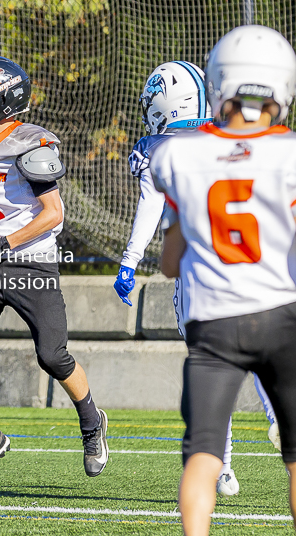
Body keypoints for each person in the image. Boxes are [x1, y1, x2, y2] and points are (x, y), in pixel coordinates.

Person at [150, 25, 296, 535]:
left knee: (203, 454)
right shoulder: (291, 153)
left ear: (218, 84)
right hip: (282, 318)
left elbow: (170, 263)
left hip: (212, 322)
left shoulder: (178, 154)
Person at [114, 60, 280, 496]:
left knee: (209, 363)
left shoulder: (160, 150)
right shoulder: (234, 135)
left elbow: (152, 210)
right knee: (267, 354)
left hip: (199, 269)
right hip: (256, 264)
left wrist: (129, 262)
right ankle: (274, 417)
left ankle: (221, 463)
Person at [0, 56, 108, 484]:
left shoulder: (30, 143)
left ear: (0, 102)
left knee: (52, 356)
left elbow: (54, 214)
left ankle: (92, 423)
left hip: (30, 261)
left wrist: (4, 243)